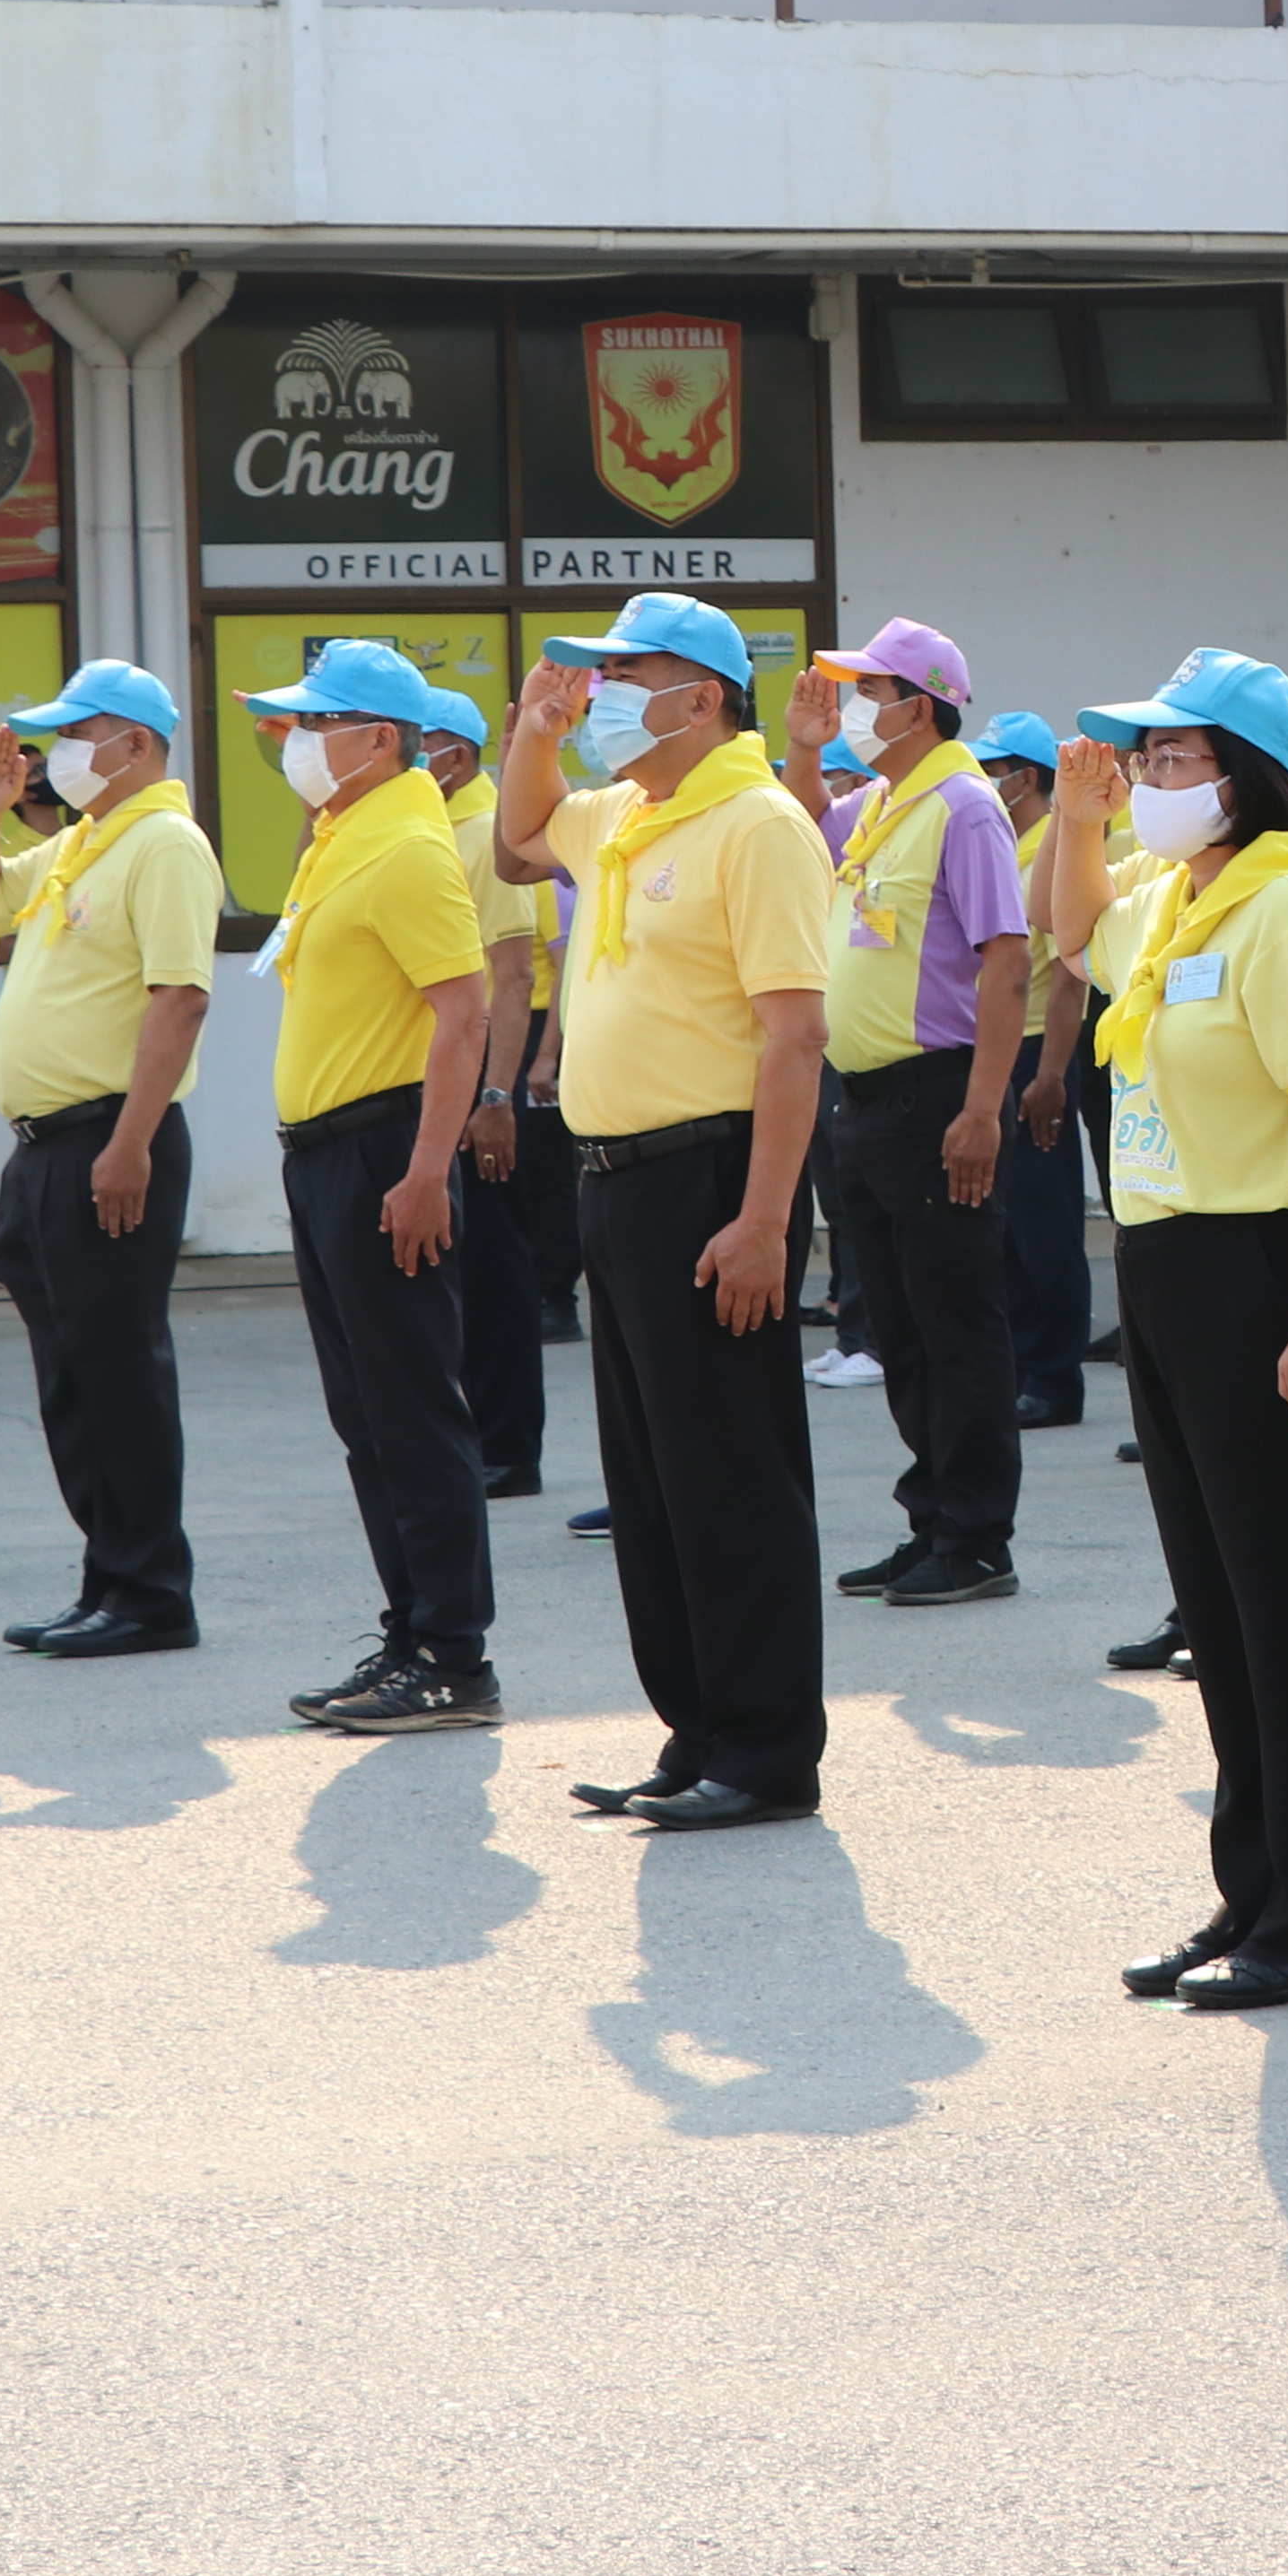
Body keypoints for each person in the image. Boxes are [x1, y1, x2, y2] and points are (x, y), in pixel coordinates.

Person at [1042, 648, 1288, 2008]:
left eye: (1172, 760)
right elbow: (1073, 935)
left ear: (1242, 780)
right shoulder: (1181, 900)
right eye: (1144, 760)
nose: (1149, 782)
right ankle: (1251, 1894)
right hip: (1173, 1275)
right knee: (1226, 1614)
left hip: (1269, 1275)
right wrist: (1076, 821)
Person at [508, 597, 839, 1831]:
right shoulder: (627, 814)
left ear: (700, 696)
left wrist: (764, 1223)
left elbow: (795, 1036)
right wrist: (533, 730)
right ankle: (695, 1728)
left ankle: (763, 1750)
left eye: (622, 676)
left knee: (731, 1473)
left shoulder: (756, 824)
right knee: (651, 1478)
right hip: (615, 1181)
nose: (600, 696)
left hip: (711, 1180)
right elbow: (519, 836)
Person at [246, 637, 504, 1732]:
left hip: (382, 1150)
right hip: (325, 1154)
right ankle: (409, 1629)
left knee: (411, 1407)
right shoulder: (344, 835)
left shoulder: (406, 846)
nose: (295, 742)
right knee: (367, 1415)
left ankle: (455, 1652)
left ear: (380, 739)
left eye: (316, 723)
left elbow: (464, 1009)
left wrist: (426, 1169)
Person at [0, 657, 219, 1662]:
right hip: (47, 1145)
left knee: (118, 1373)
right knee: (71, 1376)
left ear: (137, 744)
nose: (57, 751)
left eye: (79, 731)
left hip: (110, 1138)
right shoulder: (85, 841)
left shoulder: (164, 844)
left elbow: (181, 997)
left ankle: (151, 1589)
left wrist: (131, 1141)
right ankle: (108, 1576)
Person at [794, 621, 1034, 1606]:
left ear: (920, 704)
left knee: (955, 1324)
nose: (853, 705)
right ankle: (932, 1517)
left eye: (867, 690)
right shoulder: (885, 801)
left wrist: (984, 1109)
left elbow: (1008, 961)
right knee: (895, 1322)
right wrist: (806, 746)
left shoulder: (964, 806)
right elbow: (806, 826)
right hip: (864, 1102)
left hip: (936, 1098)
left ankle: (977, 1536)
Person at [413, 691, 560, 1506]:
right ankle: (476, 1432)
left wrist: (497, 1092)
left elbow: (511, 974)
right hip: (448, 1058)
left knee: (496, 1265)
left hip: (486, 1064)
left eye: (415, 744)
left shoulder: (481, 829)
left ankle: (509, 1446)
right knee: (458, 1265)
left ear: (457, 755)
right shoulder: (434, 823)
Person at [970, 711, 1101, 1431]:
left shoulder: (1051, 846)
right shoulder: (1006, 844)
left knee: (1045, 1223)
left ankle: (1054, 1376)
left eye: (998, 768)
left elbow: (1070, 977)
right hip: (997, 1048)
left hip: (1036, 1054)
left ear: (1027, 776)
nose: (990, 780)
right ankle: (1025, 1365)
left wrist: (1051, 1073)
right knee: (1008, 1222)